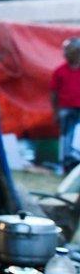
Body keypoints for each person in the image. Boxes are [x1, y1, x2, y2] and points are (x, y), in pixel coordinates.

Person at [52, 37, 80, 173]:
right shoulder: (59, 71)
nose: (65, 53)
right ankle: (66, 165)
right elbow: (54, 93)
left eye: (69, 50)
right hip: (67, 109)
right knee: (66, 137)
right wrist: (56, 112)